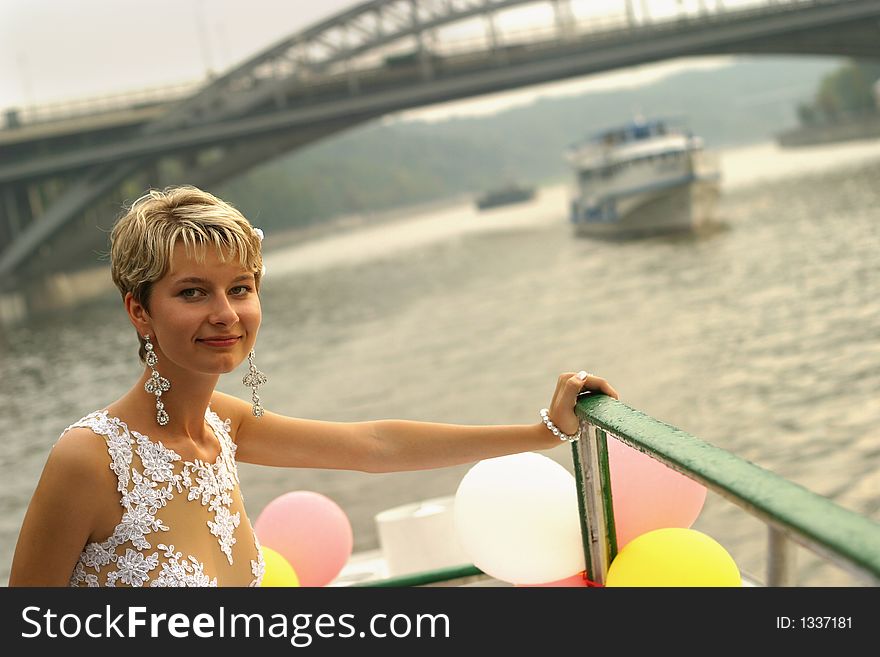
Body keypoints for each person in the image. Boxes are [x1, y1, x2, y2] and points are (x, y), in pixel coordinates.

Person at [8, 185, 619, 587]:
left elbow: (375, 446)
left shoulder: (223, 426)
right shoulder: (89, 459)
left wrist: (544, 430)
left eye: (240, 288)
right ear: (139, 310)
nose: (226, 313)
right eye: (193, 292)